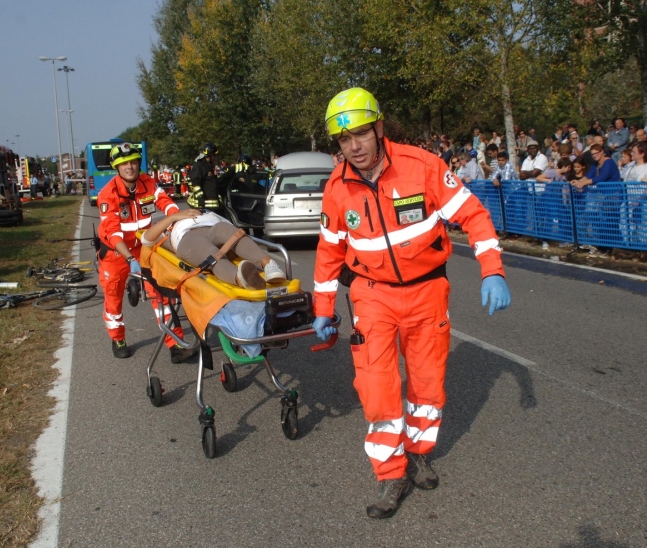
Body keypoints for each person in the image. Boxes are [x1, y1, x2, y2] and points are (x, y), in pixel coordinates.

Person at [313, 87, 511, 520]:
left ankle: (419, 451)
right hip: (372, 294)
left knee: (427, 385)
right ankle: (390, 473)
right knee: (377, 387)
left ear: (380, 128)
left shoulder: (422, 167)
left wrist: (492, 268)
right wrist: (323, 310)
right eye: (344, 141)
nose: (354, 147)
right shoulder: (337, 189)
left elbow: (473, 214)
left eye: (361, 135)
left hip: (426, 293)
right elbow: (328, 254)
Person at [96, 142, 195, 362]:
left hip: (145, 247)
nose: (130, 167)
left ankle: (175, 343)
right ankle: (118, 338)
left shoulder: (147, 183)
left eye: (133, 162)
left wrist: (177, 218)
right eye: (124, 164)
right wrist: (130, 258)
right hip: (116, 253)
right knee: (113, 297)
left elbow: (165, 202)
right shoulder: (108, 195)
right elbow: (113, 233)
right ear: (117, 167)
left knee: (161, 293)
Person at [141, 209, 286, 289]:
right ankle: (241, 278)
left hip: (213, 228)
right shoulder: (169, 227)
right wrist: (173, 217)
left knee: (230, 232)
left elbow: (231, 227)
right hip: (187, 237)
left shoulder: (209, 214)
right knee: (209, 253)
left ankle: (270, 266)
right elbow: (146, 239)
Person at [187, 142, 222, 212]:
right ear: (209, 155)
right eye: (214, 155)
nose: (215, 157)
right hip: (203, 204)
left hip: (211, 204)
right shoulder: (199, 165)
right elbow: (195, 183)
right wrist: (200, 198)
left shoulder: (209, 166)